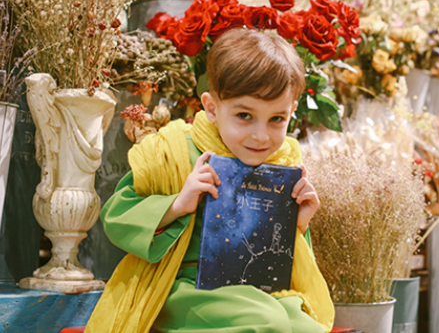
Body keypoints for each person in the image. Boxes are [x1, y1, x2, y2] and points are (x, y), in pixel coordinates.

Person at [86, 28, 335, 333]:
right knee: (267, 322)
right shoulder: (173, 148)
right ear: (212, 108)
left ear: (292, 112)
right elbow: (116, 216)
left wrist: (298, 224)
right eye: (244, 115)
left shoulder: (284, 161)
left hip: (259, 289)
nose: (260, 135)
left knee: (308, 328)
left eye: (276, 119)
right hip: (183, 286)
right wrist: (178, 204)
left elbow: (278, 257)